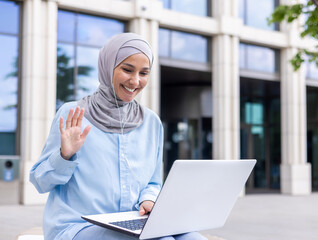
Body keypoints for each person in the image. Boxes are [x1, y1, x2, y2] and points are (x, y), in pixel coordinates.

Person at [30, 33, 207, 240]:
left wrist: (148, 200)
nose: (135, 81)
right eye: (127, 69)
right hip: (78, 225)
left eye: (144, 73)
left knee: (193, 238)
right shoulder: (74, 114)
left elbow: (152, 182)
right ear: (107, 67)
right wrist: (64, 156)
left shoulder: (151, 122)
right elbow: (40, 181)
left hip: (130, 221)